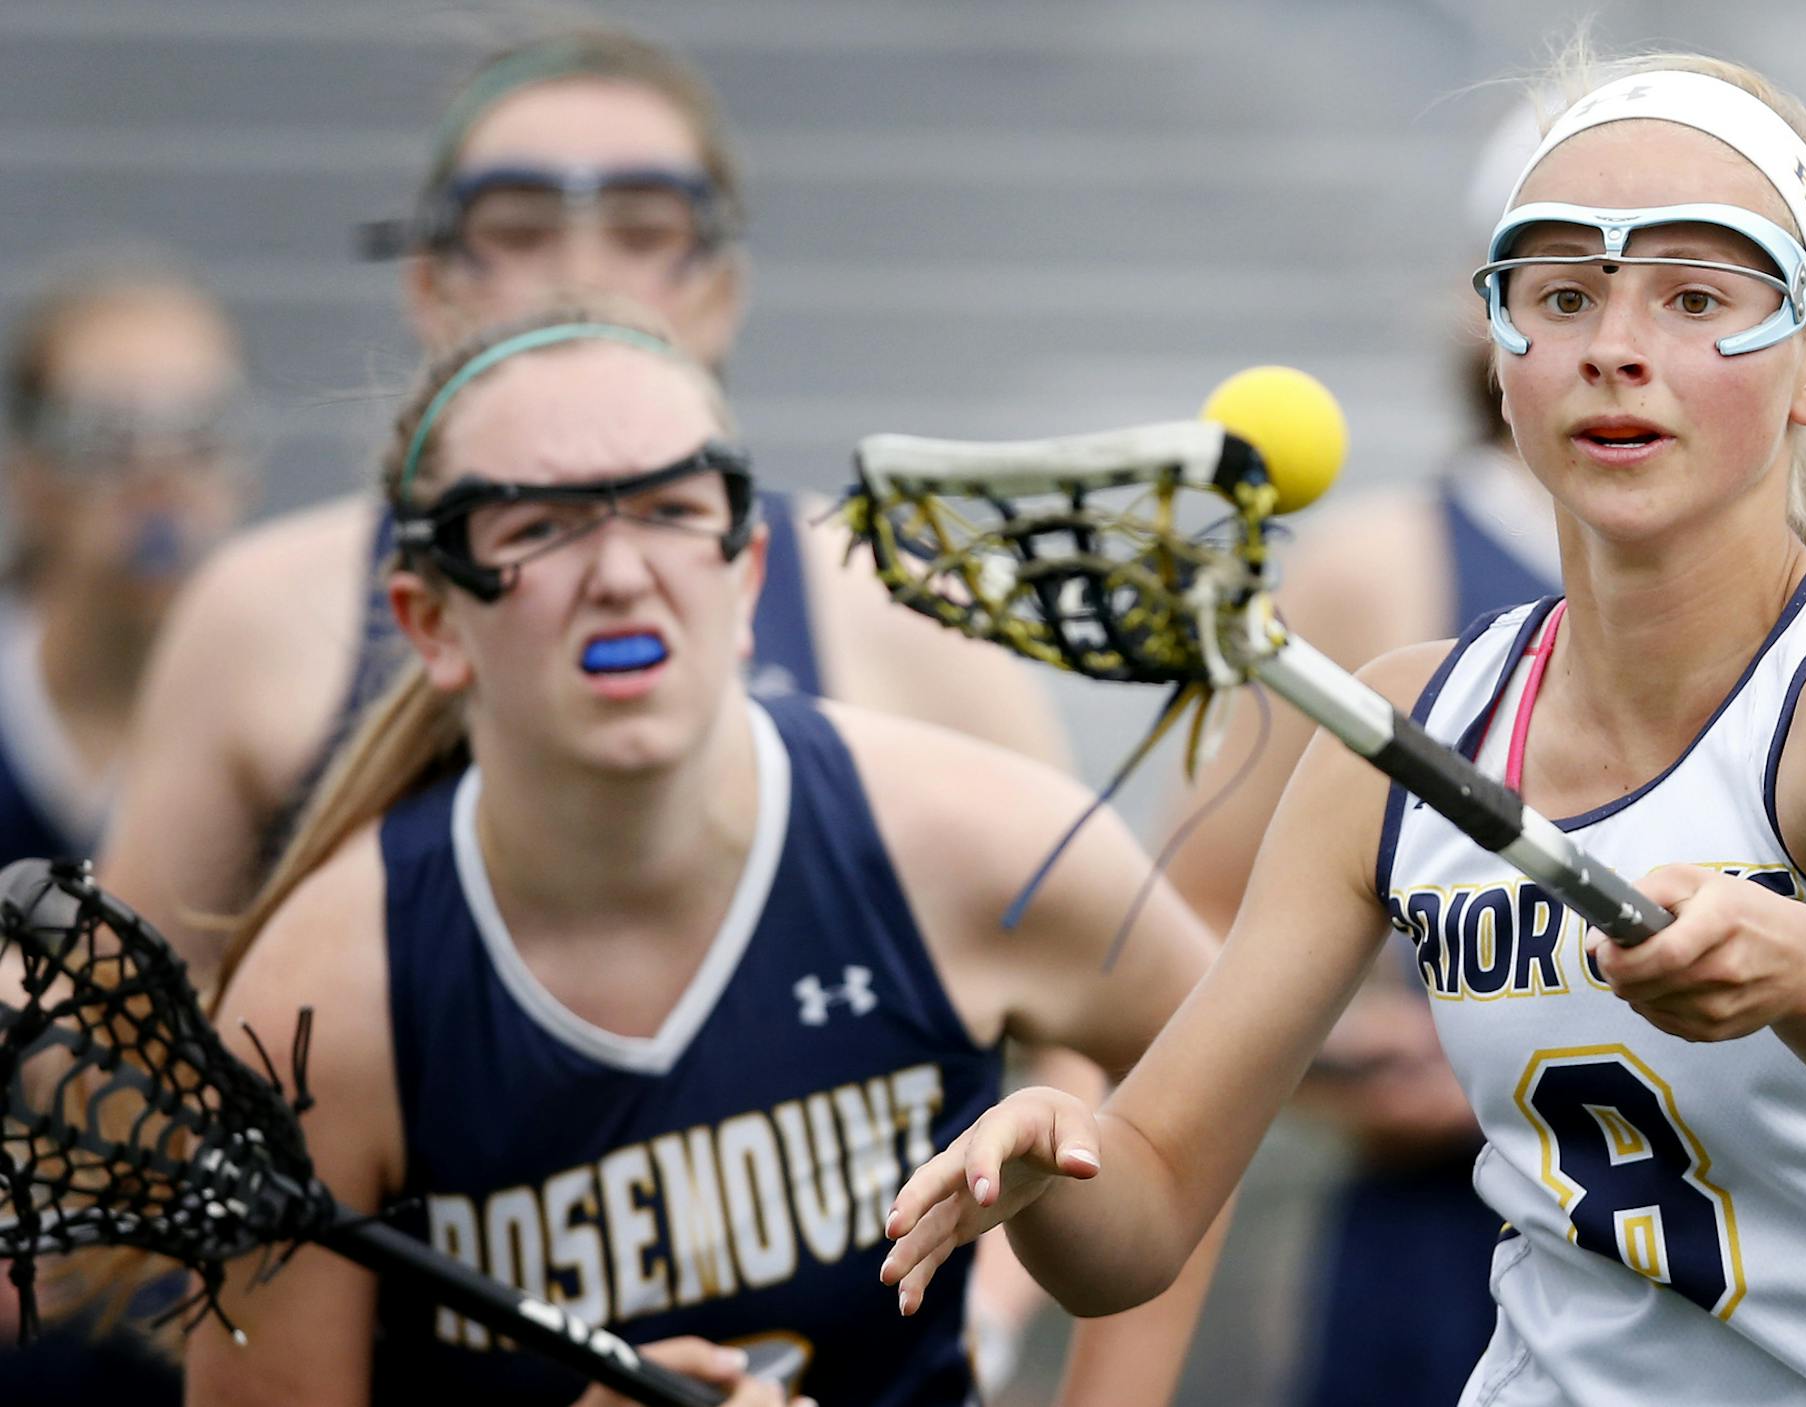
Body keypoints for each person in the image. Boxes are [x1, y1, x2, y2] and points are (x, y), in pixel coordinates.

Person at [886, 49, 1806, 1405]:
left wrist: (1800, 963)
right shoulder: (1402, 726)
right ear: (1502, 350)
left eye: (1696, 296)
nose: (1614, 346)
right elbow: (1149, 1206)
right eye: (1562, 294)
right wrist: (1056, 1160)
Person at [188, 307, 1226, 1407]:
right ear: (430, 620)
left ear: (745, 577)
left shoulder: (973, 841)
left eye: (676, 508)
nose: (623, 573)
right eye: (539, 526)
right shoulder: (324, 1006)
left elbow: (1218, 1093)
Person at [96, 28, 1072, 986]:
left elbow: (1082, 999)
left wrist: (1048, 1136)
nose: (580, 268)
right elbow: (117, 1045)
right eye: (519, 228)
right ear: (429, 285)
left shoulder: (896, 602)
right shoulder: (259, 615)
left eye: (643, 229)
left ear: (722, 291)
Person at [0, 253, 253, 1404]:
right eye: (110, 433)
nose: (159, 477)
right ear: (26, 467)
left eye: (196, 431)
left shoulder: (290, 741)